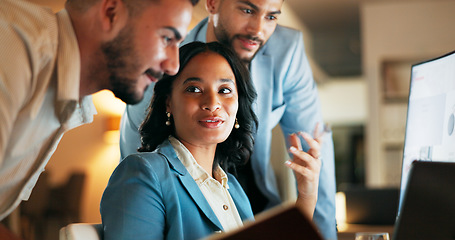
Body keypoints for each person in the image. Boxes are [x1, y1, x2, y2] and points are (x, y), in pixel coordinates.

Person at [119, 0, 337, 238]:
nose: (258, 30)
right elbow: (138, 161)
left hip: (245, 199)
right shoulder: (162, 60)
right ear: (212, 3)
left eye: (271, 17)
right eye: (247, 10)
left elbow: (313, 152)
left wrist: (309, 199)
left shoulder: (232, 188)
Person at [0, 0, 198, 221]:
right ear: (111, 13)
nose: (173, 66)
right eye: (167, 38)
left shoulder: (70, 98)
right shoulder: (11, 40)